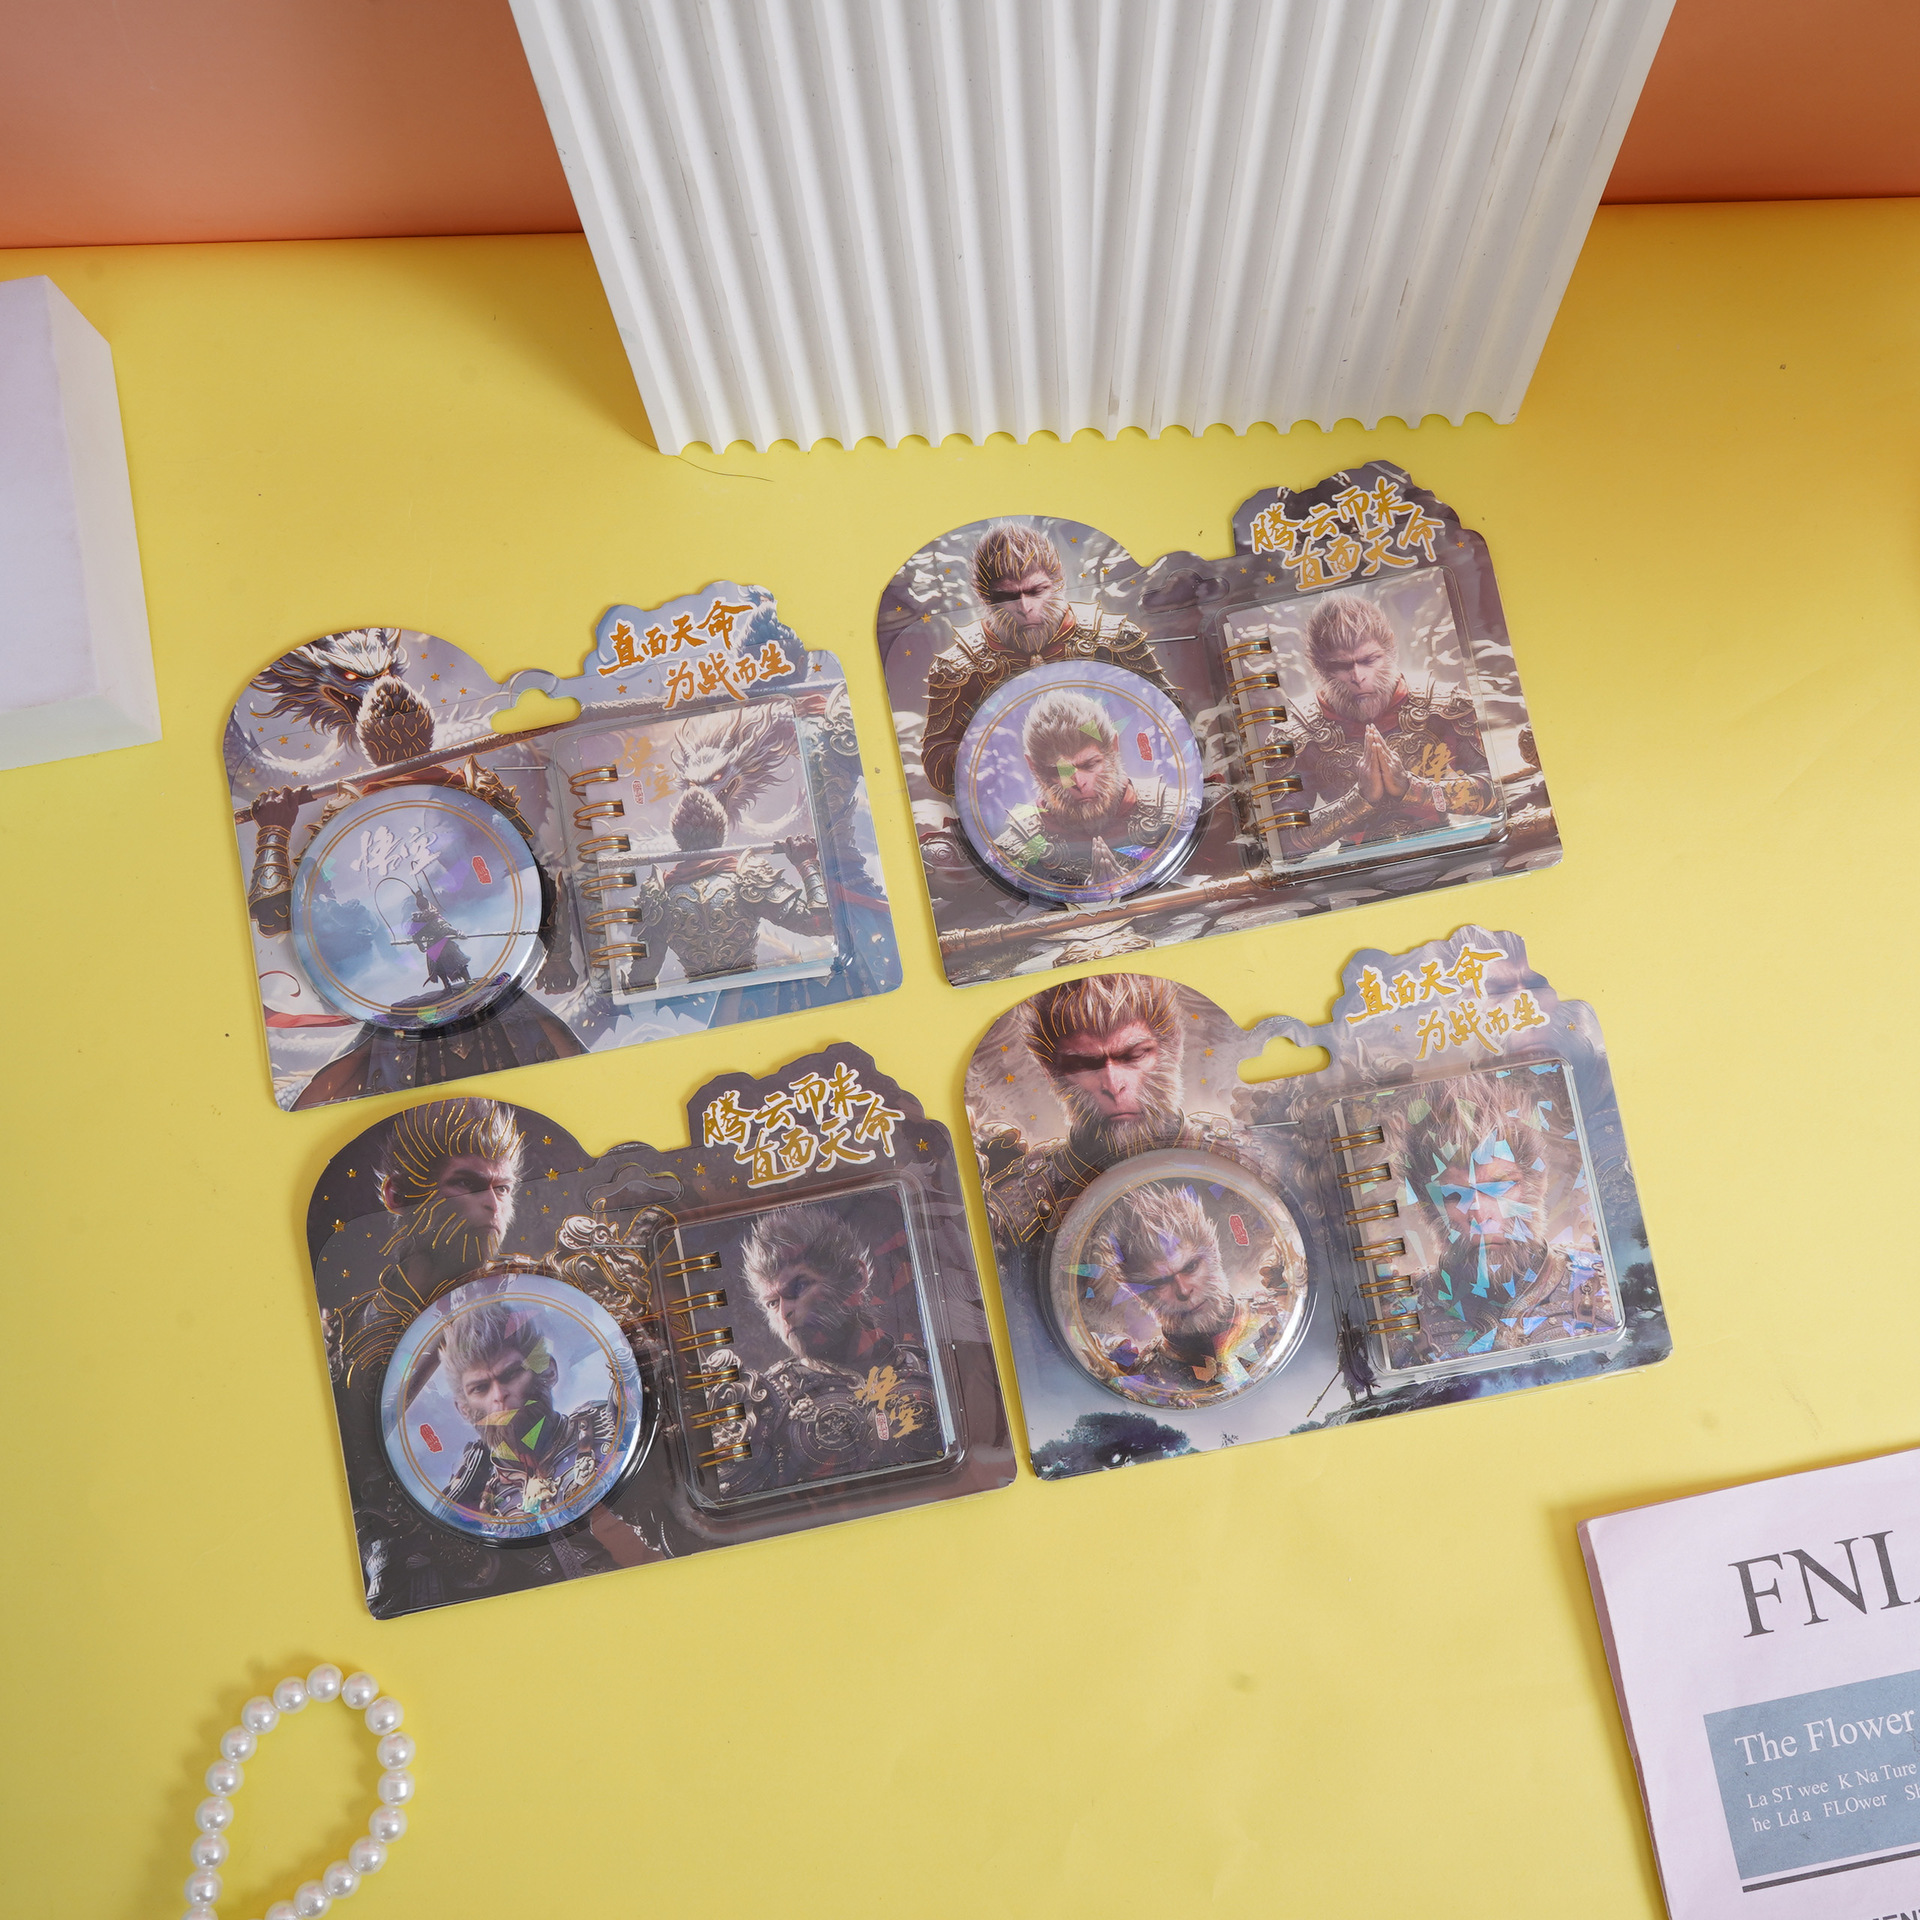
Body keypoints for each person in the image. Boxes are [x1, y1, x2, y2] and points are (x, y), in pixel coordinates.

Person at [983, 973, 1273, 1244]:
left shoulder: (1244, 1158)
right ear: (1051, 1074)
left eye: (1133, 1055)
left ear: (1174, 1048)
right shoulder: (1021, 1201)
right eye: (1084, 1064)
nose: (1113, 1084)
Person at [697, 1203, 942, 1498]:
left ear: (856, 1276)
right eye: (772, 1303)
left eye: (799, 1287)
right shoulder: (764, 1400)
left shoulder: (928, 1365)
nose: (784, 1312)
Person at [920, 523, 1175, 796]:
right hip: (1012, 803)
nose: (1025, 607)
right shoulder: (960, 666)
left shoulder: (1114, 640)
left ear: (1057, 585)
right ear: (985, 598)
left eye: (1036, 591)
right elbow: (937, 763)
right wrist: (979, 753)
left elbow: (1172, 719)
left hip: (1128, 792)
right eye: (1007, 596)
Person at [1281, 592, 1500, 851]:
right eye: (1340, 666)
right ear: (1319, 668)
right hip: (1357, 868)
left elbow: (1496, 795)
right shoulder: (1299, 734)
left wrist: (1413, 789)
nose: (1358, 676)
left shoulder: (1442, 707)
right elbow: (1285, 841)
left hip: (1447, 854)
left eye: (1369, 660)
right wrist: (1360, 799)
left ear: (1389, 652)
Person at [1089, 1183, 1298, 1405]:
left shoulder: (1281, 1317)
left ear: (1214, 1253)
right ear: (1139, 1295)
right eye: (1161, 1282)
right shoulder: (1146, 1380)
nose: (1183, 1290)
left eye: (1190, 1267)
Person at [434, 1299, 623, 1526]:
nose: (499, 1395)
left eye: (511, 1374)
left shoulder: (609, 1425)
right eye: (480, 1388)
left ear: (548, 1371)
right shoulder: (482, 1505)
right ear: (464, 1409)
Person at [989, 689, 1183, 893]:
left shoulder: (1170, 811)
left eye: (1090, 765)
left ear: (1113, 748)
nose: (1079, 783)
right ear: (1034, 768)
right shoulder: (1019, 844)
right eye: (1061, 771)